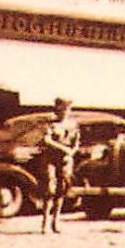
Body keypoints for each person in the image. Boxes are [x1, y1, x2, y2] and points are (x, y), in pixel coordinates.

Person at [39, 98, 80, 235]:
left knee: (61, 190)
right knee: (49, 190)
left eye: (67, 109)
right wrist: (63, 149)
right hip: (50, 159)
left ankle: (55, 221)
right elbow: (46, 140)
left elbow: (76, 143)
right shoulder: (50, 125)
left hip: (65, 160)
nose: (65, 112)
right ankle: (44, 223)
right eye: (62, 109)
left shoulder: (73, 125)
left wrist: (71, 153)